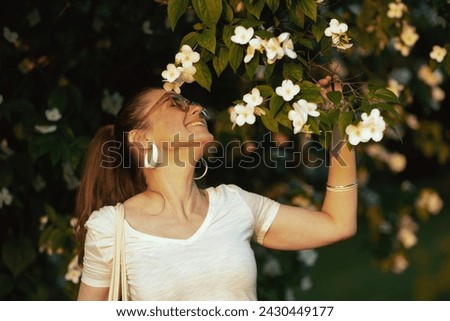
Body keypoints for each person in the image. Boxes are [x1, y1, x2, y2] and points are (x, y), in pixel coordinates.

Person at [75, 76, 357, 300]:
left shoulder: (234, 204)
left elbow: (338, 224)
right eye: (175, 103)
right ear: (141, 138)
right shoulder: (111, 228)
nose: (196, 107)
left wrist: (339, 121)